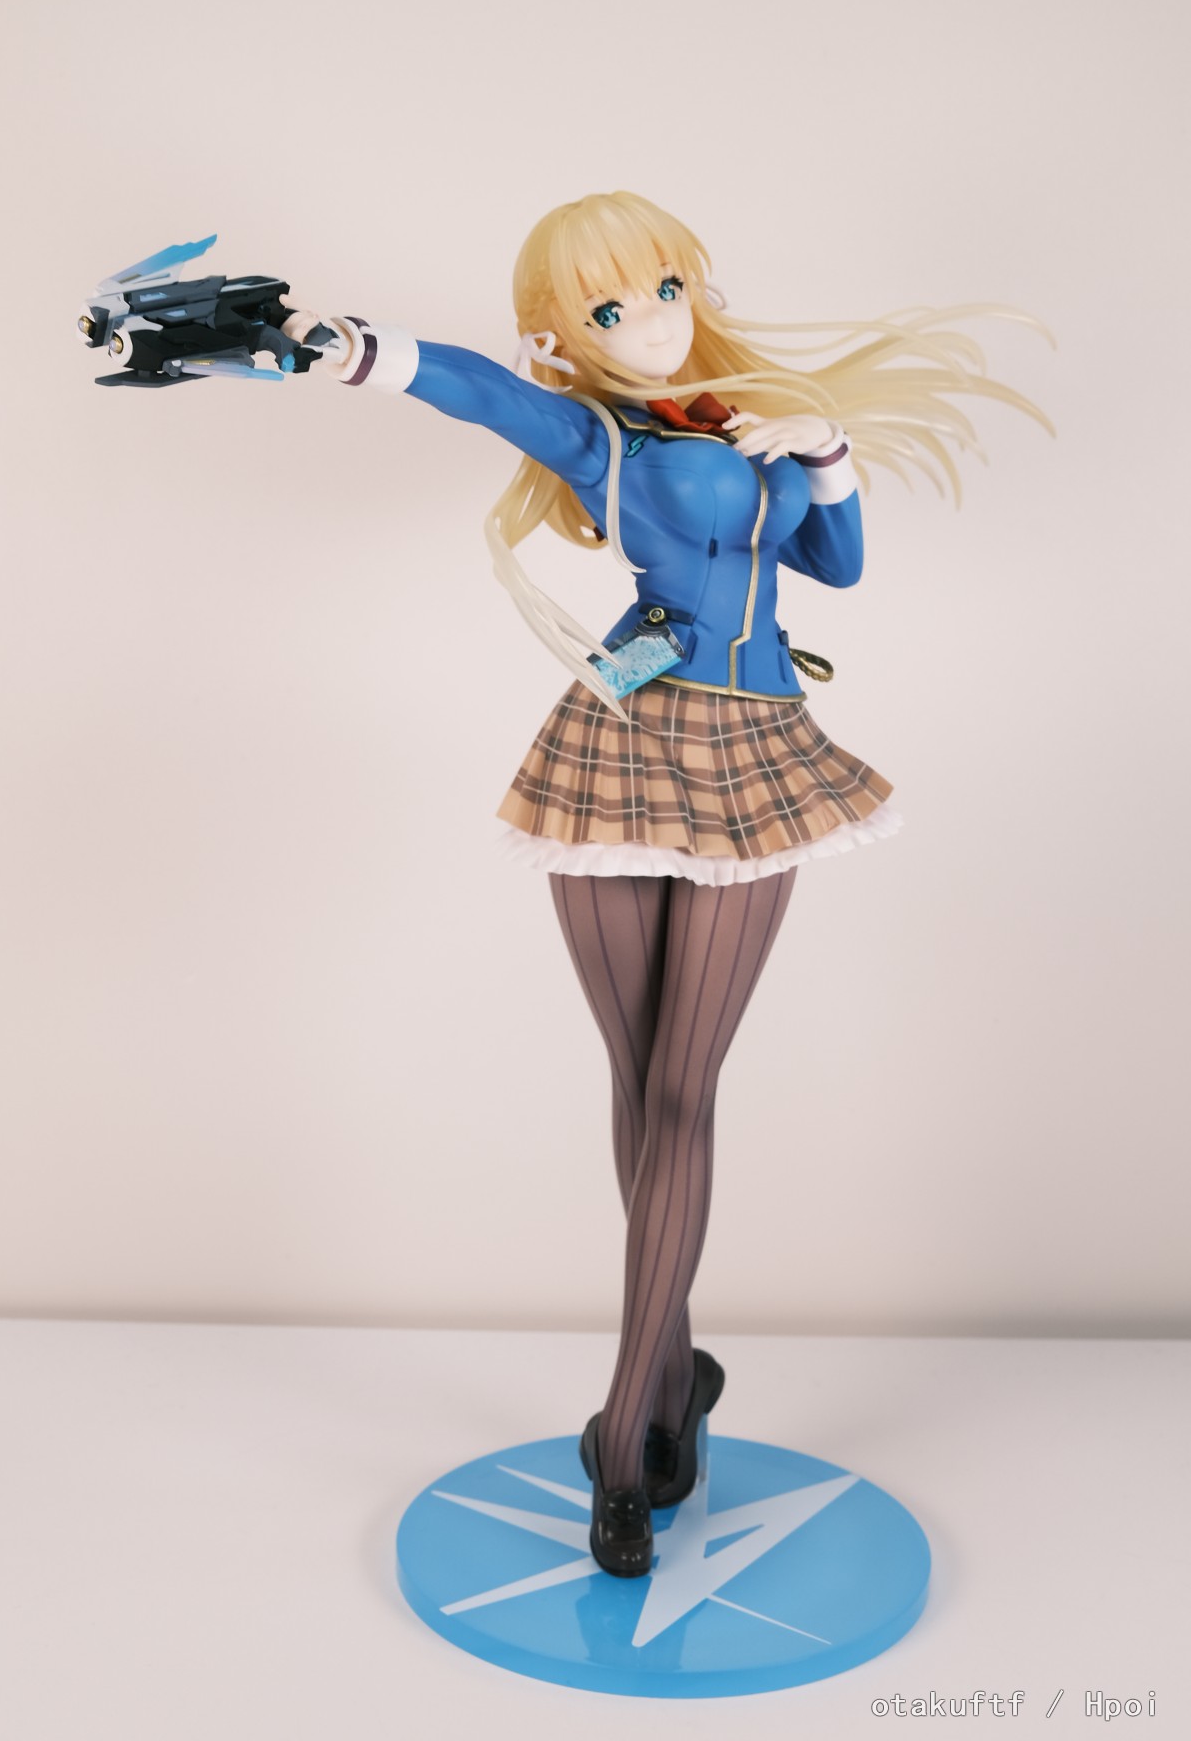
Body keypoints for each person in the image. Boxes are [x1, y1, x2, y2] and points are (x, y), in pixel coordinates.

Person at [279, 190, 1053, 1577]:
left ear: (697, 286)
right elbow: (470, 388)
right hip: (625, 743)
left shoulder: (746, 423)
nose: (646, 324)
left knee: (682, 1092)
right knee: (639, 1082)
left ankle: (626, 1428)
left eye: (664, 289)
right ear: (563, 336)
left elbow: (836, 566)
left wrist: (824, 448)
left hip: (756, 750)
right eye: (607, 308)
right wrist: (347, 349)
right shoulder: (600, 439)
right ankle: (668, 1387)